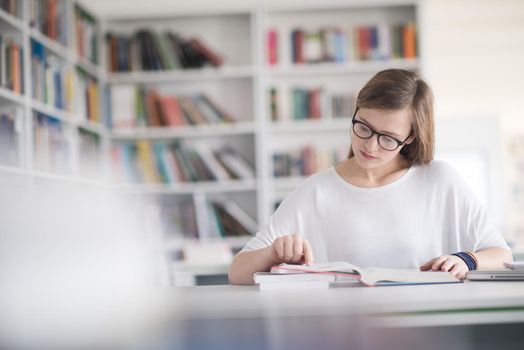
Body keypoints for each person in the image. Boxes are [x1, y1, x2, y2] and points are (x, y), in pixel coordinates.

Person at [228, 69, 513, 285]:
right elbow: (237, 272)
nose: (370, 145)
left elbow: (502, 256)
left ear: (411, 137)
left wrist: (467, 260)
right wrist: (273, 254)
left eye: (388, 138)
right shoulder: (316, 191)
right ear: (355, 113)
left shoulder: (440, 180)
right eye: (363, 127)